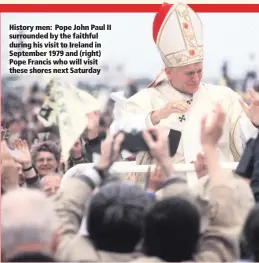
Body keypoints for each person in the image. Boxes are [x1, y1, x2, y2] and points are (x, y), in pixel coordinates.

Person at [115, 2, 259, 187]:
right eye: (189, 73)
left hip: (218, 196)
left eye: (199, 70)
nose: (196, 78)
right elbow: (124, 147)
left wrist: (254, 122)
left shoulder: (224, 97)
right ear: (168, 72)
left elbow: (243, 146)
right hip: (166, 200)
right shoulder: (142, 102)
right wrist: (155, 117)